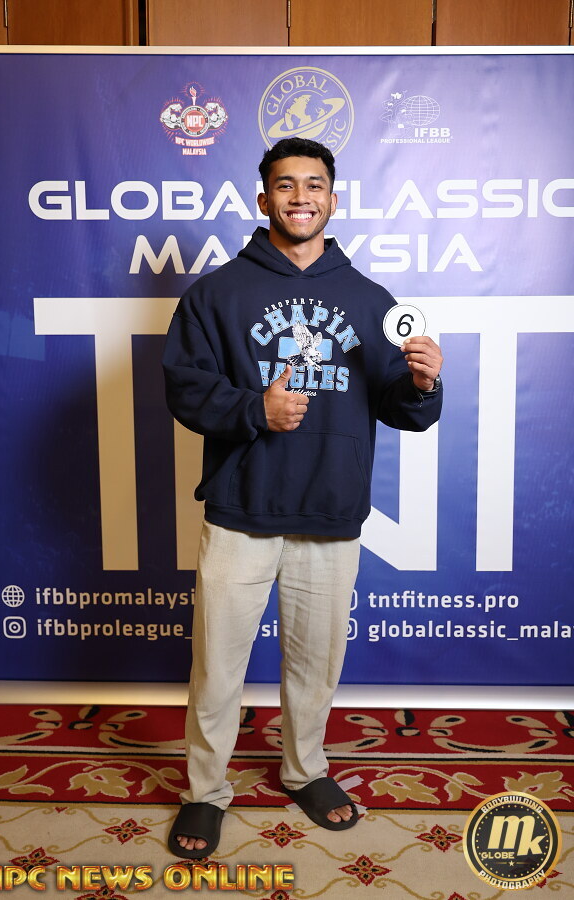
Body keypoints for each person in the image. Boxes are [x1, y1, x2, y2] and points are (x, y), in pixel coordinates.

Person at [162, 137, 443, 858]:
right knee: (218, 667)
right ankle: (205, 791)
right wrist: (255, 408)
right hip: (241, 509)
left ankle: (304, 770)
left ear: (332, 200)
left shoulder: (370, 299)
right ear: (264, 199)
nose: (300, 197)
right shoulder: (215, 295)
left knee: (316, 665)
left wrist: (422, 383)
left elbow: (401, 407)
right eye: (285, 185)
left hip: (330, 510)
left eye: (313, 185)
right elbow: (185, 389)